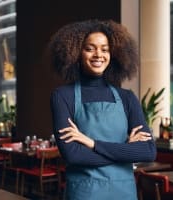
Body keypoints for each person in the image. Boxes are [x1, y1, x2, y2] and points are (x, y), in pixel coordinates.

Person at [49, 19, 156, 200]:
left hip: (124, 193)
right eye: (90, 48)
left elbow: (148, 152)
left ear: (113, 55)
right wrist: (126, 151)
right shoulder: (62, 96)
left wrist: (92, 143)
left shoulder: (127, 97)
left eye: (105, 49)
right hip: (85, 192)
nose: (98, 54)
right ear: (76, 53)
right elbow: (73, 155)